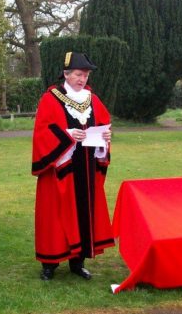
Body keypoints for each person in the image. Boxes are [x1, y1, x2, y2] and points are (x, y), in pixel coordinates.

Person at [32, 52, 114, 280]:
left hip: (86, 168)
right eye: (78, 74)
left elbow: (103, 125)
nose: (82, 79)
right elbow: (42, 133)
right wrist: (68, 136)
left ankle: (78, 262)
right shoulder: (50, 98)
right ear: (66, 74)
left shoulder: (93, 99)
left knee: (83, 212)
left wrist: (105, 138)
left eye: (86, 75)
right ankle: (50, 264)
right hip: (60, 169)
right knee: (55, 216)